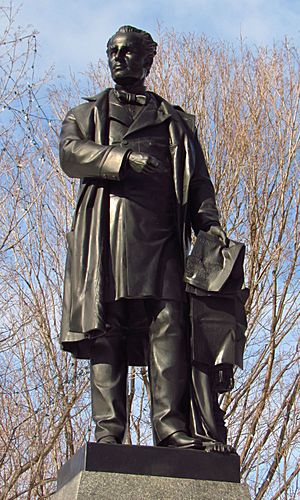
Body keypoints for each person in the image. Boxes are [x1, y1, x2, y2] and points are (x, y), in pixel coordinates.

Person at [59, 25, 226, 449]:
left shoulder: (174, 121)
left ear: (148, 59)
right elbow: (70, 152)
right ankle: (108, 431)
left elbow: (200, 183)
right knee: (107, 327)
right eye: (112, 51)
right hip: (107, 237)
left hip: (163, 238)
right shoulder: (88, 113)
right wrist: (121, 158)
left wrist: (210, 227)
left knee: (167, 325)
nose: (118, 57)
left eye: (128, 51)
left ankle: (170, 428)